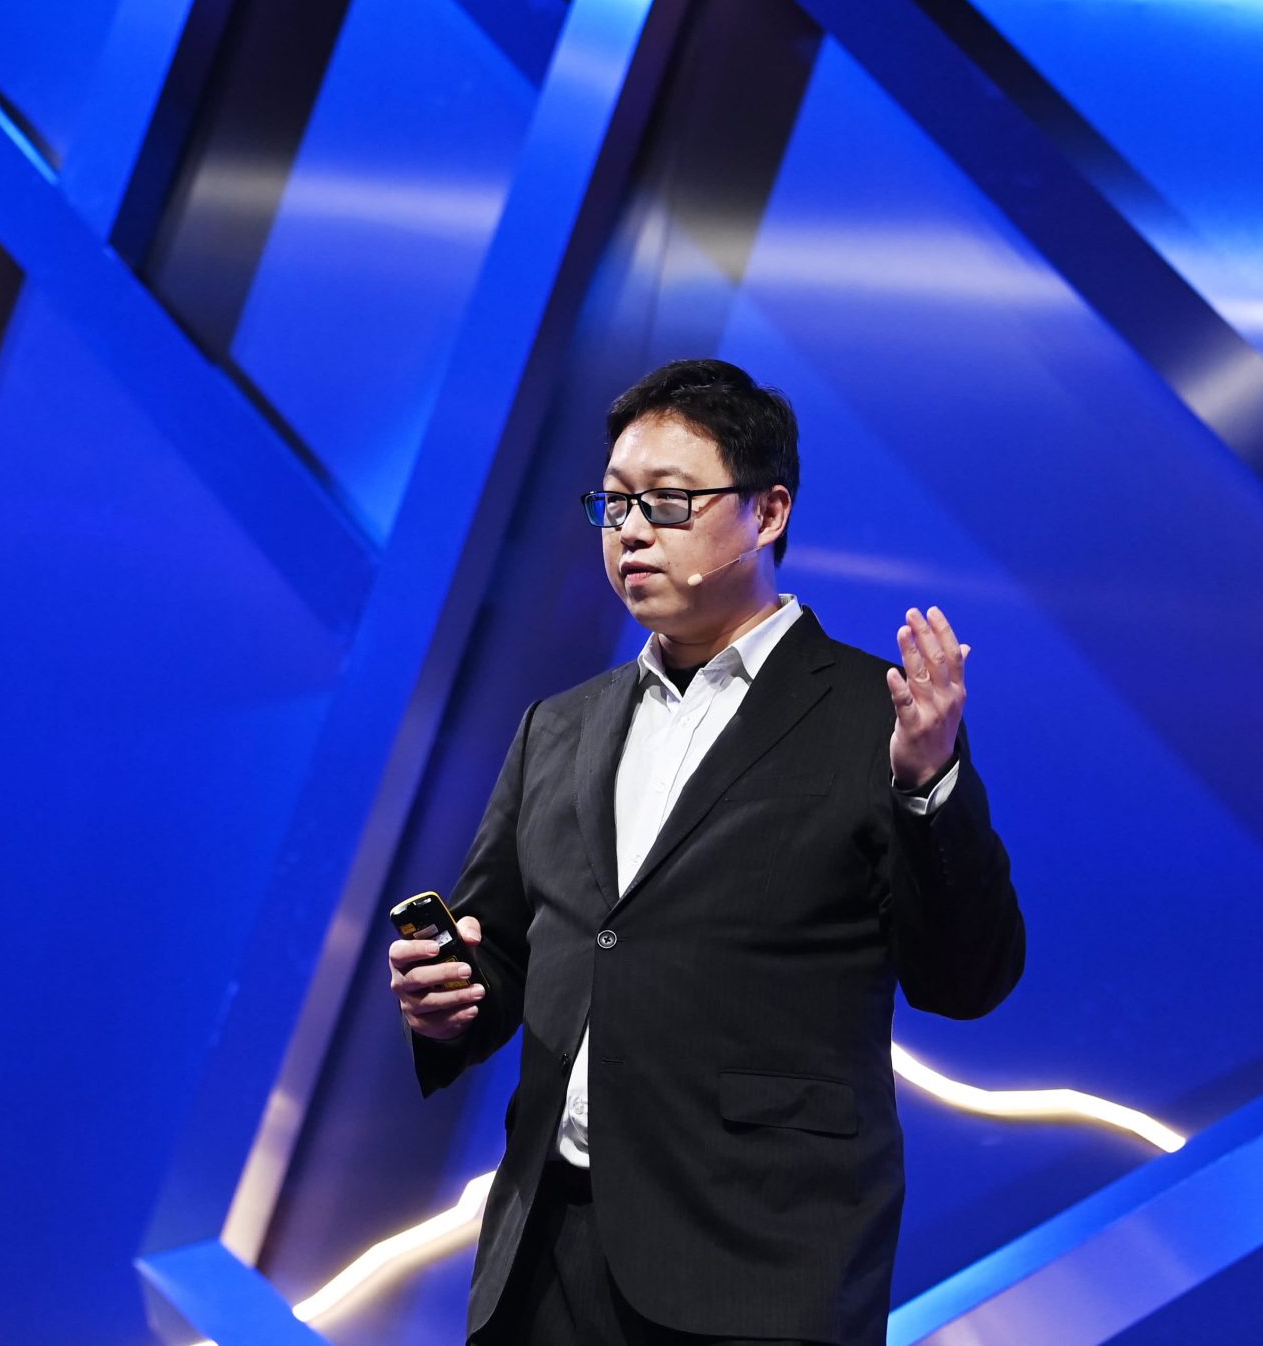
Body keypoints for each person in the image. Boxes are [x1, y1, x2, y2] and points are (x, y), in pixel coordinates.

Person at [388, 358, 1026, 1345]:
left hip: (756, 1263)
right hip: (545, 1260)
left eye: (667, 501)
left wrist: (927, 783)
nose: (632, 531)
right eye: (613, 504)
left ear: (768, 512)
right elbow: (504, 951)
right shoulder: (558, 725)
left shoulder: (876, 716)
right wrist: (449, 992)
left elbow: (965, 979)